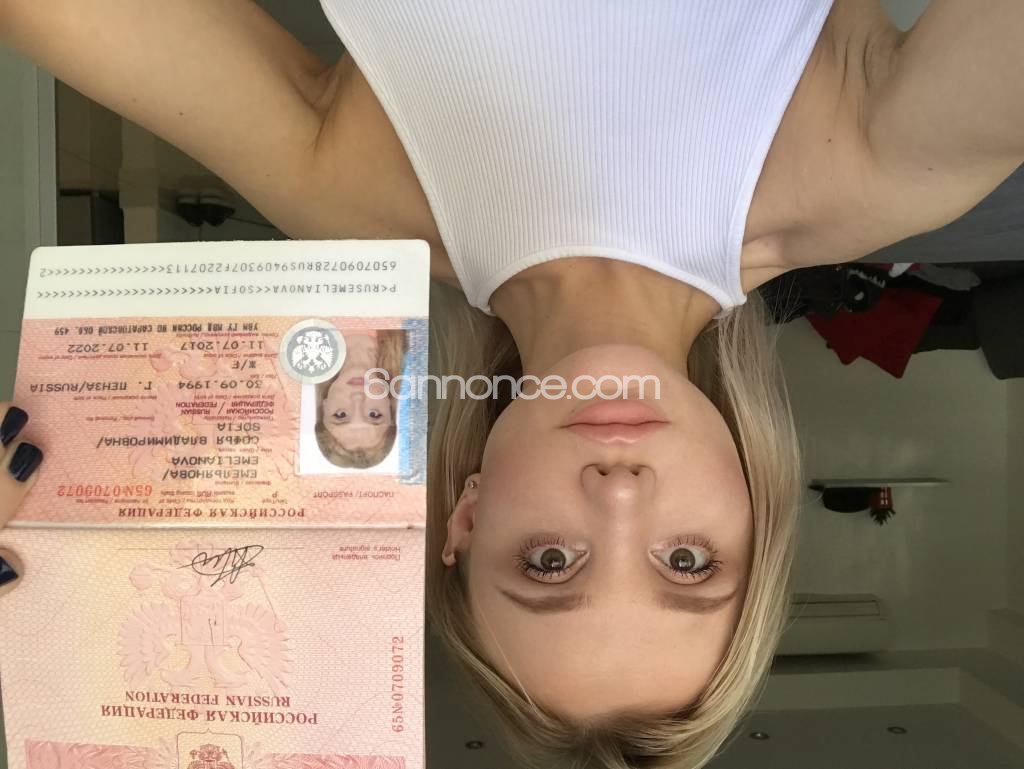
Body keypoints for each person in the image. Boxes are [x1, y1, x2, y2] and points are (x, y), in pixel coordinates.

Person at [2, 1, 1023, 767]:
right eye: (685, 560)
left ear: (466, 516)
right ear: (754, 515)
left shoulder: (345, 189)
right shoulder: (877, 165)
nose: (619, 495)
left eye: (548, 561)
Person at [314, 330, 407, 469]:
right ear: (389, 407)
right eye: (374, 414)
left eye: (341, 414)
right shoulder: (409, 335)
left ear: (324, 406)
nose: (358, 398)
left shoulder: (306, 339)